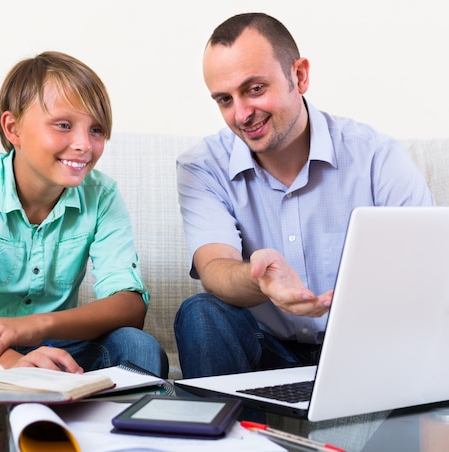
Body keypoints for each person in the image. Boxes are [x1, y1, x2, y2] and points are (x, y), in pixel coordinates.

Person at [174, 12, 434, 378]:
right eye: (224, 99)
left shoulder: (376, 155)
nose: (241, 114)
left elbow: (430, 269)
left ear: (299, 75)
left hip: (362, 351)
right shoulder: (202, 167)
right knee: (200, 312)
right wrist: (259, 278)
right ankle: (231, 436)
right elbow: (215, 267)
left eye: (254, 89)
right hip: (266, 349)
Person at [0, 51, 168, 378]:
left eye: (96, 130)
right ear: (13, 128)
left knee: (138, 346)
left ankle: (90, 428)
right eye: (63, 125)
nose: (84, 144)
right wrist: (12, 363)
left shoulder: (102, 195)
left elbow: (130, 306)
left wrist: (32, 327)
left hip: (57, 347)